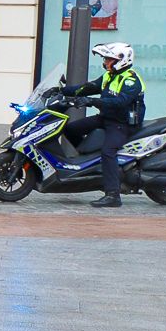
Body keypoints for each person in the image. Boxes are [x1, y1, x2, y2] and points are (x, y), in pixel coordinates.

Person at [64, 41, 146, 208]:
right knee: (70, 129)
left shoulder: (131, 80)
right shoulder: (109, 76)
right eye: (106, 59)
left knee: (108, 152)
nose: (105, 62)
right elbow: (88, 87)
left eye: (109, 59)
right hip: (106, 118)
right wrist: (62, 91)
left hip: (122, 124)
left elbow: (120, 102)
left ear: (121, 60)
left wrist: (93, 101)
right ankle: (89, 163)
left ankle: (113, 195)